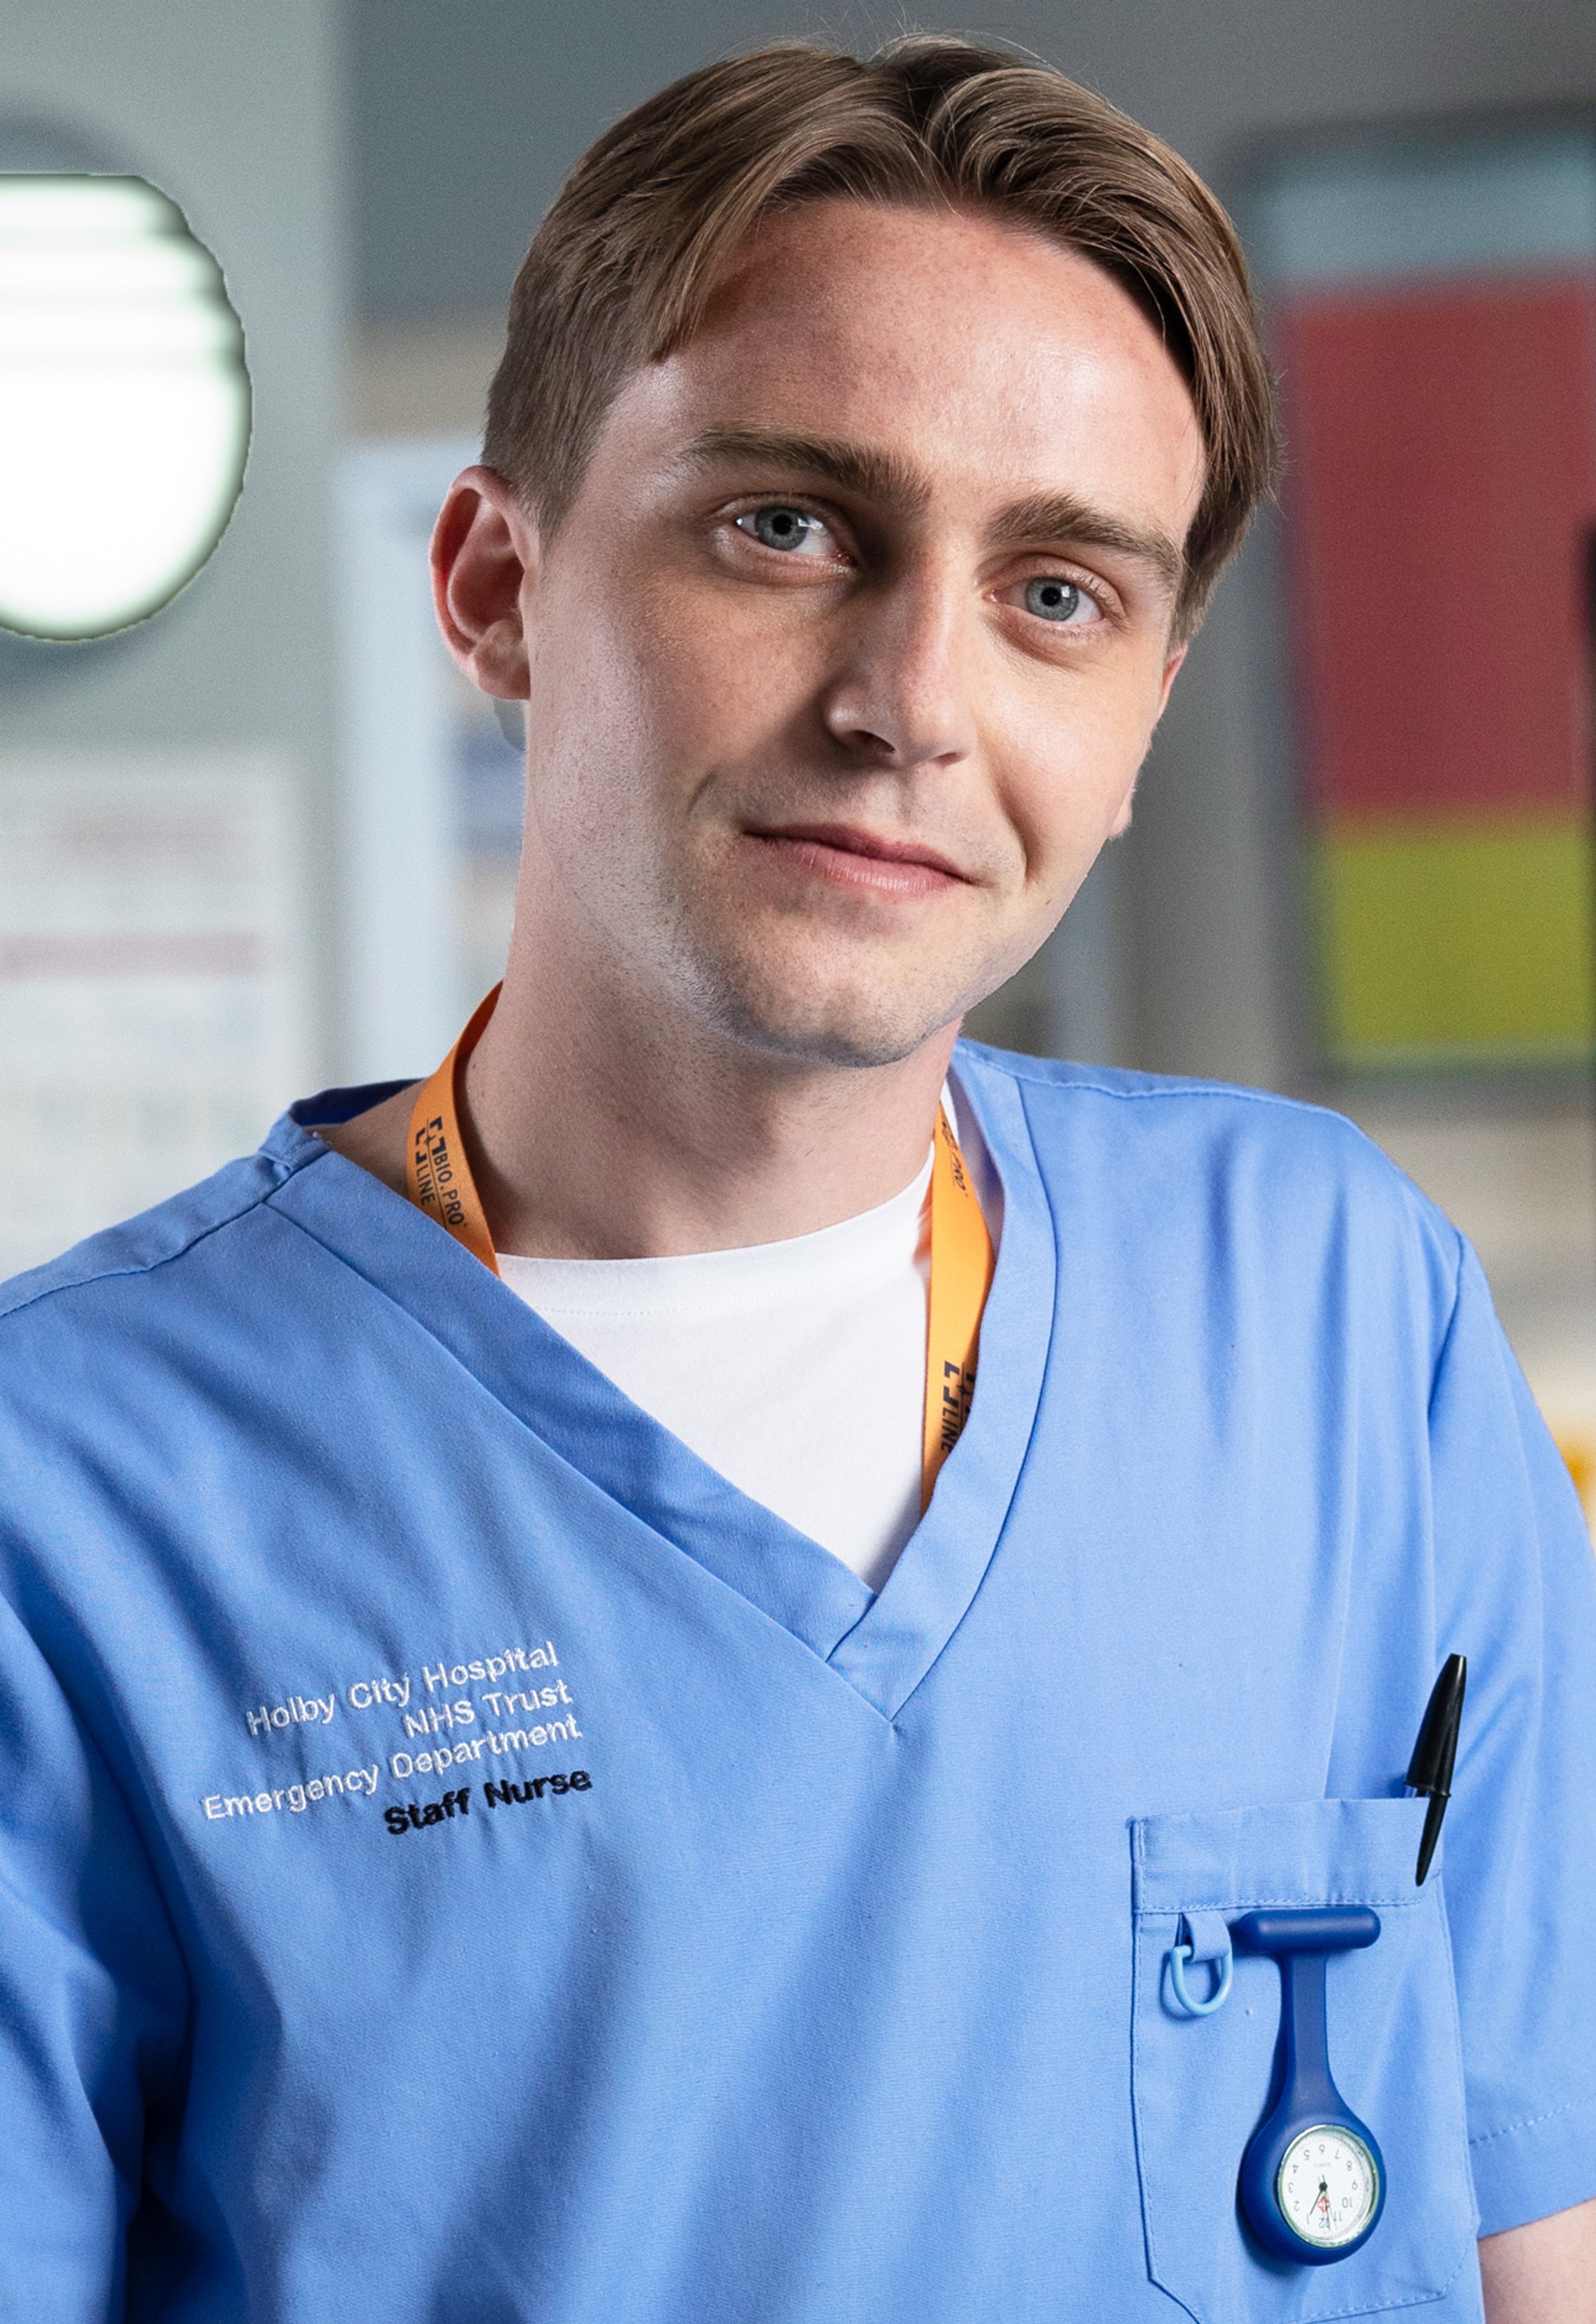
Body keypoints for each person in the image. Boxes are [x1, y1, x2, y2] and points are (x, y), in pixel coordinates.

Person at [1, 37, 1592, 2324]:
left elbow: (1542, 2227)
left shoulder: (1343, 1314)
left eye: (1059, 594)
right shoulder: (74, 1501)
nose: (913, 700)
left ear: (1145, 717)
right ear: (493, 587)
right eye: (791, 528)